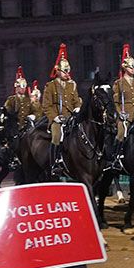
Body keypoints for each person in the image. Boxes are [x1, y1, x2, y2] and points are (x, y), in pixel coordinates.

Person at [42, 43, 82, 177]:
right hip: (57, 118)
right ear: (58, 71)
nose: (67, 73)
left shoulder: (72, 85)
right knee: (57, 136)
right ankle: (54, 164)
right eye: (64, 71)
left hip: (71, 117)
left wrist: (77, 107)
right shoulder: (50, 86)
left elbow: (76, 100)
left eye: (68, 71)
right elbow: (46, 105)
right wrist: (55, 118)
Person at [111, 44, 134, 170]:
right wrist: (120, 113)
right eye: (131, 67)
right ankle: (117, 157)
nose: (133, 69)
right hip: (125, 115)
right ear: (125, 68)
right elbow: (115, 102)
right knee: (121, 132)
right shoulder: (118, 83)